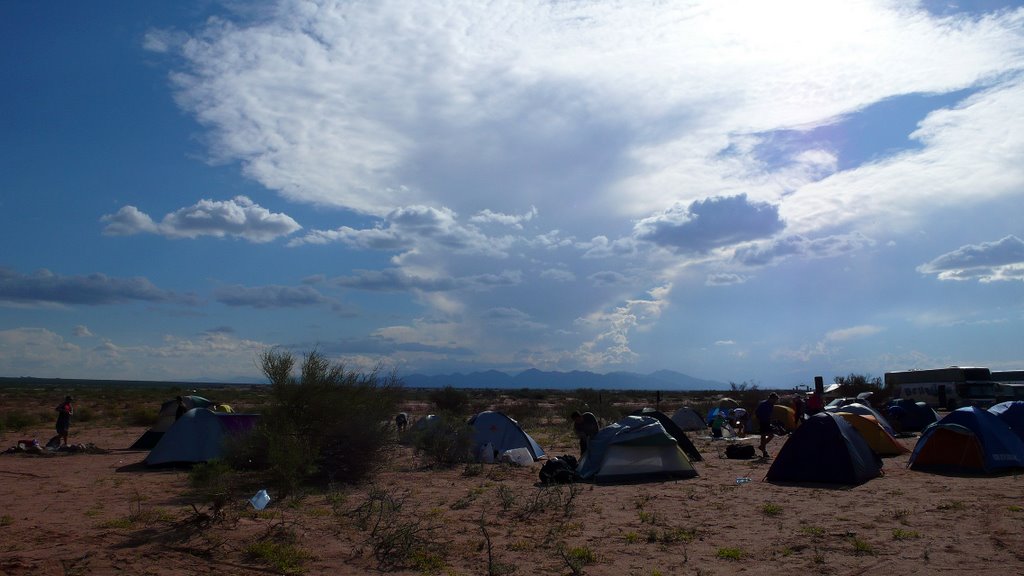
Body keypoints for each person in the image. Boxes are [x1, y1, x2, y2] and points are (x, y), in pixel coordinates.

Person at [755, 392, 778, 458]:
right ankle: (764, 451)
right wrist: (760, 419)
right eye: (775, 399)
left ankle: (762, 447)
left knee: (769, 435)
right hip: (762, 421)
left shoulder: (771, 405)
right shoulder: (763, 404)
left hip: (767, 421)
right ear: (771, 398)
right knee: (764, 436)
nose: (775, 401)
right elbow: (757, 412)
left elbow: (770, 414)